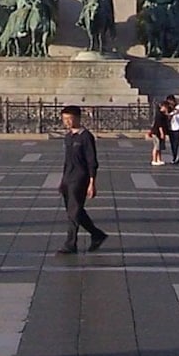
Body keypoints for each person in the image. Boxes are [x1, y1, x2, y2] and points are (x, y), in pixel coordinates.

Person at [57, 104, 108, 253]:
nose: (67, 122)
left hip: (80, 178)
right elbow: (67, 161)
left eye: (69, 119)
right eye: (64, 119)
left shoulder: (86, 137)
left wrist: (92, 182)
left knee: (73, 212)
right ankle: (97, 234)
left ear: (78, 118)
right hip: (68, 177)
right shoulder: (68, 137)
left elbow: (92, 161)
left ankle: (70, 244)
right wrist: (62, 181)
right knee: (75, 211)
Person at [148, 98, 171, 165]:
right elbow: (159, 125)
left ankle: (159, 159)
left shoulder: (163, 114)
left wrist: (167, 113)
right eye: (166, 107)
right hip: (156, 132)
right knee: (156, 146)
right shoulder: (159, 114)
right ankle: (154, 160)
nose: (167, 108)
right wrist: (162, 133)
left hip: (158, 132)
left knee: (159, 147)